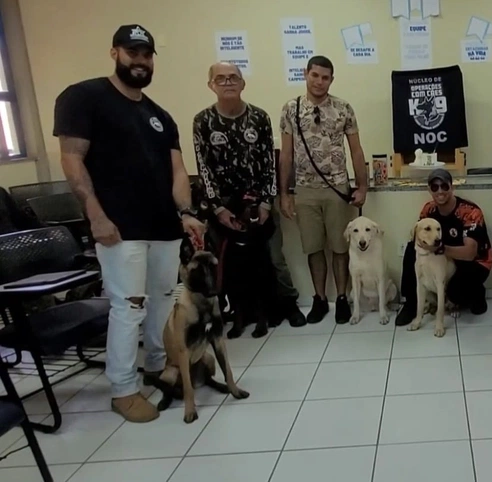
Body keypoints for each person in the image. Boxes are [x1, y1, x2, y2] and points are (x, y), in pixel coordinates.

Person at [52, 24, 205, 423]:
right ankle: (122, 389)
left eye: (147, 54)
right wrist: (96, 214)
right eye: (132, 52)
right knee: (128, 306)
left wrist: (187, 213)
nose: (140, 61)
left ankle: (155, 365)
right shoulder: (84, 98)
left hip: (163, 226)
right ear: (115, 53)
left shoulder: (159, 116)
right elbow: (72, 159)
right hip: (119, 226)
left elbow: (177, 170)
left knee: (163, 300)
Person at [192, 62, 306, 328]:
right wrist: (218, 209)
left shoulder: (259, 117)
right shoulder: (203, 121)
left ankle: (288, 305)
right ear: (211, 85)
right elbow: (203, 168)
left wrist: (267, 202)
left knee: (274, 259)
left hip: (260, 202)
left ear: (243, 83)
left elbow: (269, 163)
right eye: (221, 79)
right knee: (232, 265)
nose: (228, 82)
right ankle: (242, 314)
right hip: (223, 206)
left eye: (233, 78)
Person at [278, 55, 369, 324]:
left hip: (337, 187)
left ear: (331, 79)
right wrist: (285, 193)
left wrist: (362, 186)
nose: (319, 81)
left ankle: (341, 297)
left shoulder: (343, 108)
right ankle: (319, 299)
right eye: (314, 75)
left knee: (340, 247)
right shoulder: (290, 109)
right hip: (304, 190)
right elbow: (286, 155)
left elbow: (356, 149)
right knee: (314, 248)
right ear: (305, 74)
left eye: (325, 77)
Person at [395, 169, 492, 325]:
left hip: (475, 263)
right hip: (446, 260)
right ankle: (410, 304)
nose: (440, 191)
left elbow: (470, 253)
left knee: (456, 293)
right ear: (430, 190)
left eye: (444, 186)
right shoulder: (428, 210)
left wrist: (440, 249)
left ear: (452, 187)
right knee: (410, 249)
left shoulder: (470, 211)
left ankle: (477, 293)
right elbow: (420, 238)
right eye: (435, 187)